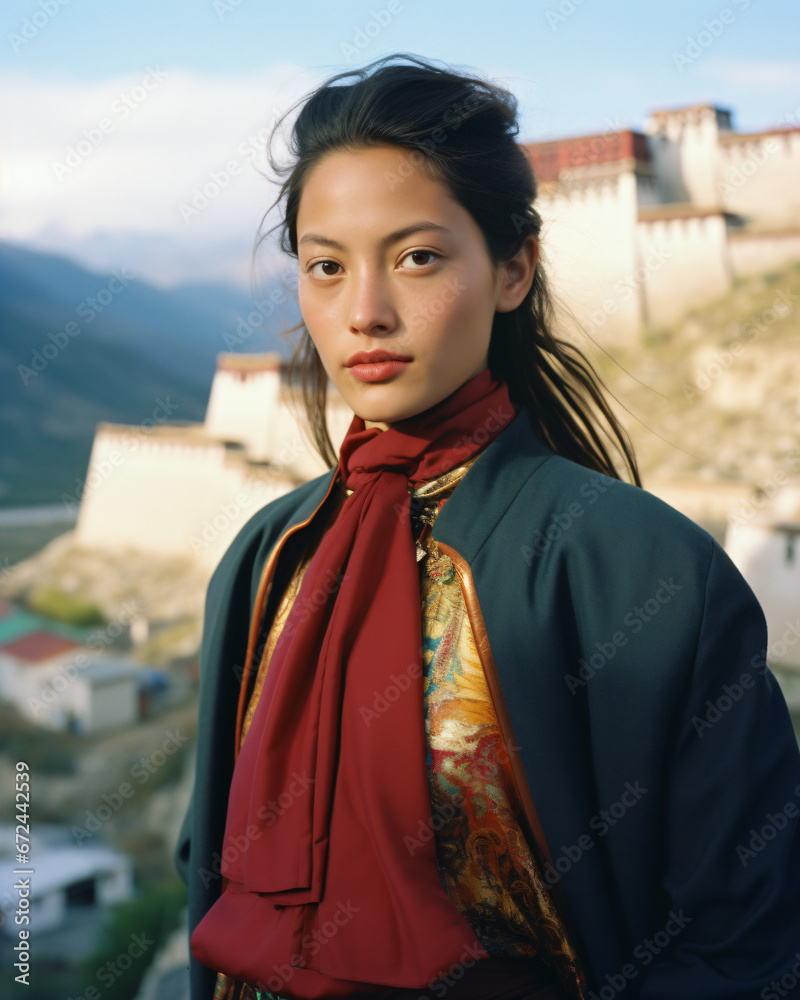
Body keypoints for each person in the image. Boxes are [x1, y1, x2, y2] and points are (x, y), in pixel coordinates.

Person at [174, 54, 800, 1000]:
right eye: (326, 267)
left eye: (417, 257)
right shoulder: (270, 557)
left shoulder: (635, 566)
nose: (365, 313)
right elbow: (204, 874)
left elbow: (747, 939)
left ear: (513, 268)